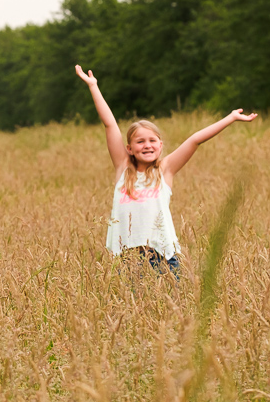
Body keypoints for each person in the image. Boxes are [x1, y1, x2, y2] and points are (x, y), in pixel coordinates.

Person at [75, 65, 257, 273]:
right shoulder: (123, 168)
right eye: (140, 141)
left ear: (160, 146)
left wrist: (230, 118)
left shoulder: (165, 170)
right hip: (128, 258)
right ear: (129, 149)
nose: (147, 145)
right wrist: (93, 86)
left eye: (152, 140)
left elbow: (195, 140)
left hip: (162, 257)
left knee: (170, 303)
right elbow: (109, 124)